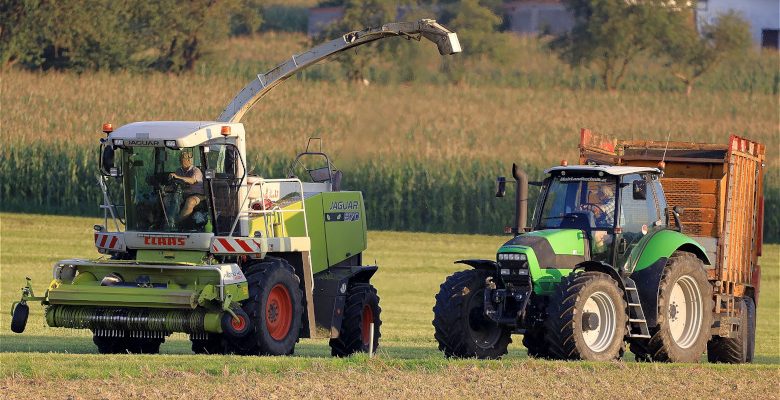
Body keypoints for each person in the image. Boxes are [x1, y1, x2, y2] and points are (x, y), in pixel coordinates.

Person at [169, 152, 205, 223]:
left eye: (182, 159)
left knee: (190, 201)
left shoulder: (196, 170)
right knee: (167, 199)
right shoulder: (179, 171)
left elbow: (192, 180)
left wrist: (178, 177)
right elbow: (175, 183)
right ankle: (168, 219)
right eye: (180, 159)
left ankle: (177, 223)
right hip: (182, 193)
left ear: (189, 160)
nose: (180, 160)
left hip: (198, 195)